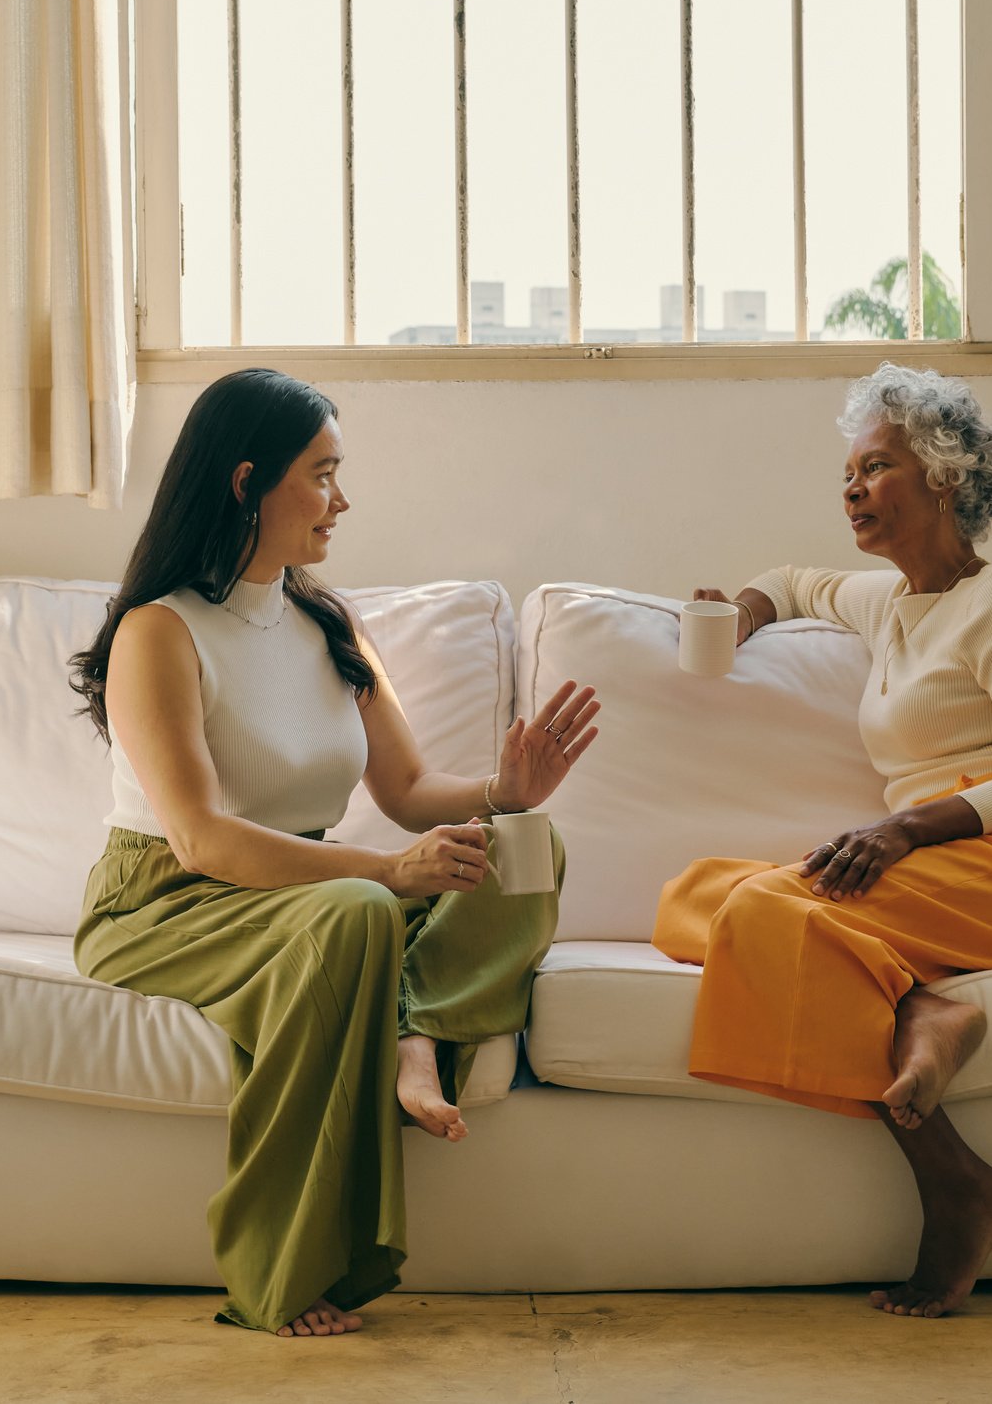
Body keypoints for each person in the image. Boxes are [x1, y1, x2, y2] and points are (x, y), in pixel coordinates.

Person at [68, 368, 599, 1338]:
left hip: (307, 891)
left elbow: (405, 793)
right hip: (168, 898)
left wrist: (506, 795)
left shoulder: (327, 624)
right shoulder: (159, 632)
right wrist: (386, 875)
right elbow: (200, 836)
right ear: (245, 483)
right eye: (321, 474)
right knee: (356, 911)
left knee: (527, 850)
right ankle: (283, 1269)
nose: (340, 501)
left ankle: (409, 1032)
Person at [656, 361, 992, 1319]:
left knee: (762, 909)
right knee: (694, 895)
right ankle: (920, 1008)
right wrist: (742, 614)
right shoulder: (889, 599)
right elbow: (789, 582)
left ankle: (958, 1181)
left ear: (944, 478)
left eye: (875, 468)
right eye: (849, 473)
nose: (852, 489)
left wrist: (906, 827)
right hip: (938, 857)